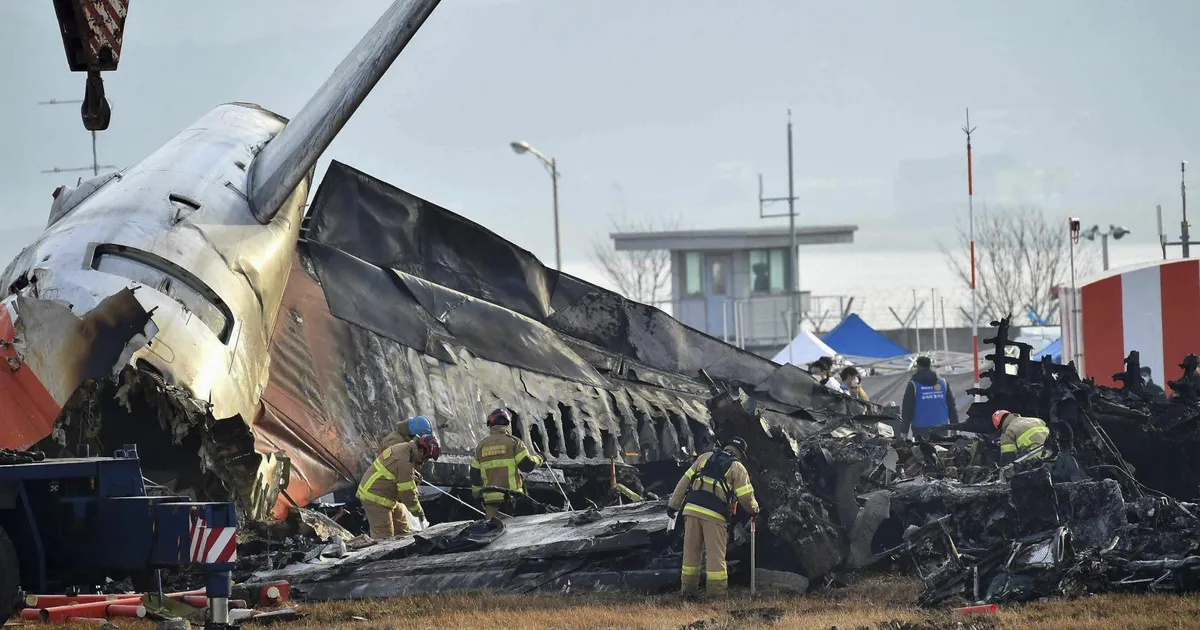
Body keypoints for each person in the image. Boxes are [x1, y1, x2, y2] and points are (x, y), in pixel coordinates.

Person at [667, 437, 760, 598]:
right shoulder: (737, 467)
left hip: (691, 510)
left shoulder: (704, 457)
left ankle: (688, 592)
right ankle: (716, 595)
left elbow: (684, 481)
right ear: (740, 453)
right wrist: (754, 511)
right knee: (715, 557)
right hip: (715, 515)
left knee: (691, 554)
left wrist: (673, 505)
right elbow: (745, 496)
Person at [356, 434, 441, 539]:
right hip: (374, 497)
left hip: (385, 494)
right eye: (427, 458)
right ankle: (384, 554)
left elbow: (396, 471)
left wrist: (413, 474)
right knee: (384, 537)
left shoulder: (406, 449)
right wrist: (419, 512)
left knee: (402, 528)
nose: (424, 462)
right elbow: (407, 493)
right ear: (422, 451)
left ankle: (403, 551)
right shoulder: (405, 461)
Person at [470, 408, 543, 519]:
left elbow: (474, 476)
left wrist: (477, 497)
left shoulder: (481, 446)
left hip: (491, 502)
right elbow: (527, 465)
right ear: (508, 423)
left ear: (490, 425)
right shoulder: (514, 442)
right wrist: (541, 458)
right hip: (512, 500)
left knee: (493, 532)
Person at [901, 356, 958, 439]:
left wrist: (904, 430)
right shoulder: (943, 383)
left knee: (923, 451)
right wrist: (954, 426)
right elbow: (951, 406)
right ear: (930, 366)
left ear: (918, 366)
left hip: (920, 428)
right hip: (941, 426)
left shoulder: (913, 385)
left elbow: (907, 409)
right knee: (941, 451)